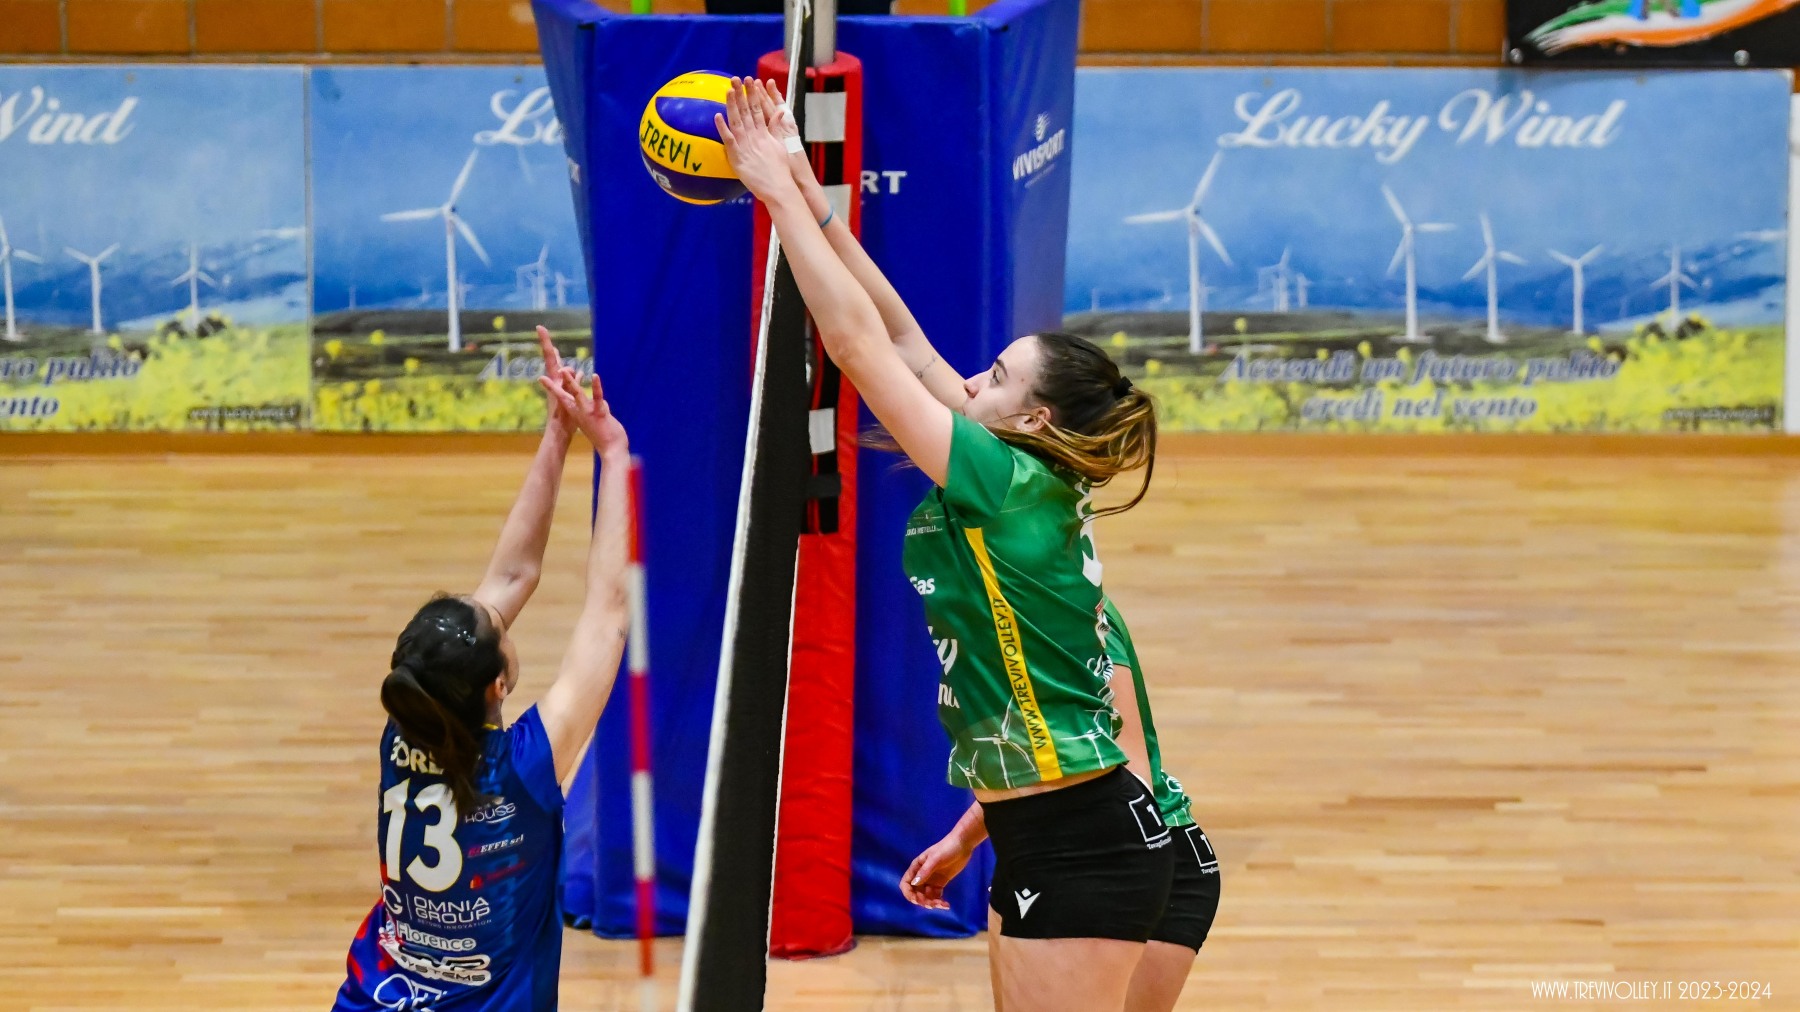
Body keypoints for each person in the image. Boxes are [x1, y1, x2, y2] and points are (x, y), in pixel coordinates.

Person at [718, 79, 1167, 1011]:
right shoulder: (1026, 471)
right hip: (1043, 827)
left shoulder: (1004, 480)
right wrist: (805, 188)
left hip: (1083, 836)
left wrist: (770, 199)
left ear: (1033, 420)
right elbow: (903, 336)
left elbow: (857, 347)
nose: (969, 382)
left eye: (995, 378)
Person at [332, 329, 632, 1012]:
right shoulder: (525, 768)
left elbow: (514, 574)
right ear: (498, 684)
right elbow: (608, 612)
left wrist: (557, 434)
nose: (500, 604)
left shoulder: (406, 719)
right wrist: (612, 453)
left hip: (374, 998)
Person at [902, 597, 1222, 1012]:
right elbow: (1046, 765)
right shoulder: (982, 610)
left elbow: (1124, 771)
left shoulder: (1066, 610)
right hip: (1036, 849)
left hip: (1127, 851)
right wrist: (964, 838)